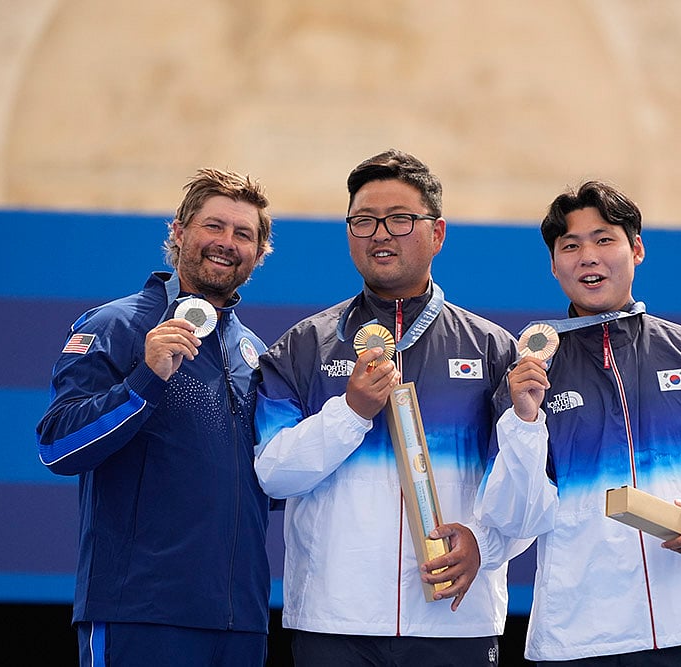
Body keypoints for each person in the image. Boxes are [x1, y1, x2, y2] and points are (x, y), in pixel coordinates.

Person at [476, 181, 681, 665]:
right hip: (581, 636)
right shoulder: (529, 378)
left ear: (636, 248)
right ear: (553, 265)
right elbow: (514, 520)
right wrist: (525, 422)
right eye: (570, 246)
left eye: (604, 239)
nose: (587, 256)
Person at [254, 149, 530, 666]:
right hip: (334, 623)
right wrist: (351, 413)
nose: (380, 233)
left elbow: (528, 482)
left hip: (455, 621)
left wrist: (487, 546)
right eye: (364, 221)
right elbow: (272, 474)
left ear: (438, 233)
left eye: (400, 219)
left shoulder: (494, 350)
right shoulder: (303, 346)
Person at [36, 168, 275, 666]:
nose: (226, 242)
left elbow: (261, 481)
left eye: (243, 234)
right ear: (179, 231)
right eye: (214, 226)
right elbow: (57, 446)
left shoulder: (253, 350)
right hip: (140, 613)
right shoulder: (116, 325)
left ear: (259, 252)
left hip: (241, 621)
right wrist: (144, 378)